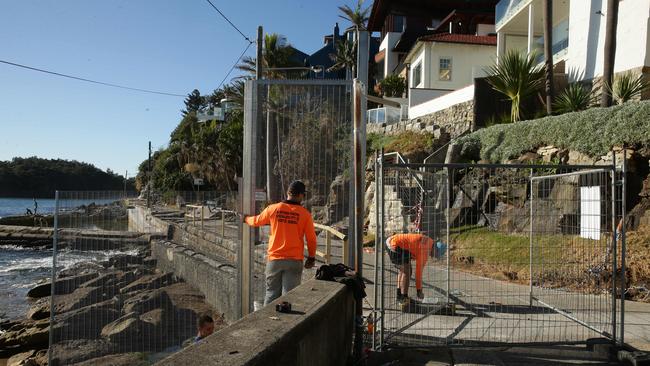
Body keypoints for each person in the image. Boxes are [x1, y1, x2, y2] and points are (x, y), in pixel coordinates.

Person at [243, 180, 318, 305]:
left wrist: (245, 219)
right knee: (289, 297)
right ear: (301, 195)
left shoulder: (273, 208)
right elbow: (311, 239)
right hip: (294, 260)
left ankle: (266, 322)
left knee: (271, 294)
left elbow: (256, 221)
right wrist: (311, 257)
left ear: (288, 193)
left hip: (275, 259)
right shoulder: (305, 214)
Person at [386, 233, 436, 304]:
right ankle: (404, 298)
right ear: (435, 250)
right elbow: (418, 273)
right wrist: (419, 291)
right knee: (407, 271)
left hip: (393, 241)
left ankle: (399, 296)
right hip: (394, 244)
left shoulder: (429, 241)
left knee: (403, 270)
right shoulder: (425, 250)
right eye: (435, 255)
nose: (432, 256)